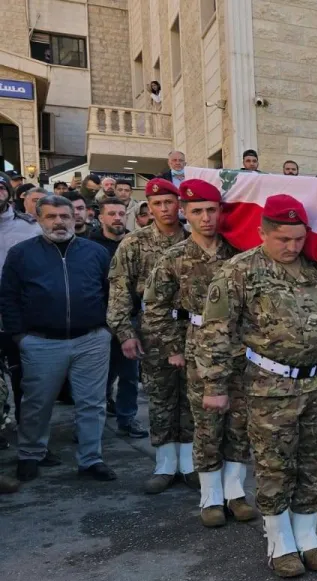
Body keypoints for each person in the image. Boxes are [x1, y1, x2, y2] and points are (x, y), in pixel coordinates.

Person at [196, 195, 317, 578]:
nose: (292, 246)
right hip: (269, 385)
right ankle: (279, 541)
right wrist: (214, 384)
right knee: (275, 464)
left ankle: (308, 536)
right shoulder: (240, 270)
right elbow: (217, 330)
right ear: (262, 233)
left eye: (299, 239)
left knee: (315, 462)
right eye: (283, 239)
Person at [144, 180, 254, 528]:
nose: (205, 218)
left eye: (211, 210)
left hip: (242, 348)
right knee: (206, 424)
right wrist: (173, 347)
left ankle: (235, 492)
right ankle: (210, 497)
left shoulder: (239, 252)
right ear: (185, 213)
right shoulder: (173, 257)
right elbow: (154, 307)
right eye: (197, 211)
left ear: (221, 211)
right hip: (200, 350)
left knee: (240, 423)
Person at [0, 195, 115, 482]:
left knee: (92, 403)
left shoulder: (96, 252)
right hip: (40, 342)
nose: (59, 222)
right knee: (37, 402)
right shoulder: (21, 253)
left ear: (75, 218)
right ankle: (30, 454)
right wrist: (19, 336)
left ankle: (91, 459)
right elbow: (8, 297)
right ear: (38, 219)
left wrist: (107, 329)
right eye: (51, 216)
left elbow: (112, 292)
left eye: (64, 216)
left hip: (91, 340)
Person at [108, 178, 192, 494]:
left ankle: (190, 464)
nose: (164, 208)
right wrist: (125, 332)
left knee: (192, 398)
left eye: (169, 202)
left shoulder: (195, 239)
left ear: (179, 204)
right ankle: (165, 465)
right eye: (157, 204)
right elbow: (119, 290)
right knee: (161, 397)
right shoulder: (134, 243)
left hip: (194, 329)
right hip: (154, 329)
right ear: (149, 208)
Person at [89, 199, 149, 439]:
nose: (117, 218)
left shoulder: (135, 243)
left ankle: (127, 418)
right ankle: (92, 422)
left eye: (121, 213)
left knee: (129, 374)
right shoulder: (89, 246)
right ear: (101, 217)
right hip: (98, 321)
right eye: (111, 213)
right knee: (98, 376)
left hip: (129, 319)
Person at [0, 175, 42, 423]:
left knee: (23, 376)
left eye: (0, 187)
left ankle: (28, 430)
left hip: (19, 311)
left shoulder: (29, 227)